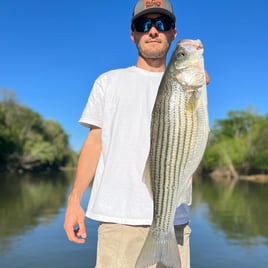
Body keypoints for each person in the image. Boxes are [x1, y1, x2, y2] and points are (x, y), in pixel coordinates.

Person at [64, 1, 210, 267]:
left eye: (161, 24)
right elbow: (94, 142)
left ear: (173, 32)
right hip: (118, 220)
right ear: (133, 34)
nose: (153, 31)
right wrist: (74, 201)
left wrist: (197, 83)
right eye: (144, 25)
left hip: (173, 221)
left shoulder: (193, 86)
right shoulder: (108, 81)